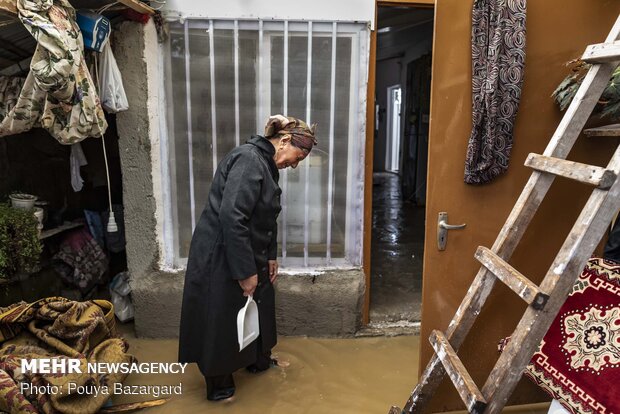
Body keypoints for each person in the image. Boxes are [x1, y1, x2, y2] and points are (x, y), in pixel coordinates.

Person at [178, 115, 317, 401]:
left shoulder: (266, 164)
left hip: (248, 249)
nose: (295, 164)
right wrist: (245, 272)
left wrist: (270, 257)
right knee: (221, 316)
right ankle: (221, 390)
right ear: (285, 141)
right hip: (221, 253)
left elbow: (267, 215)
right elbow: (233, 217)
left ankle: (258, 362)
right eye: (298, 156)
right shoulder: (249, 160)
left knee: (260, 303)